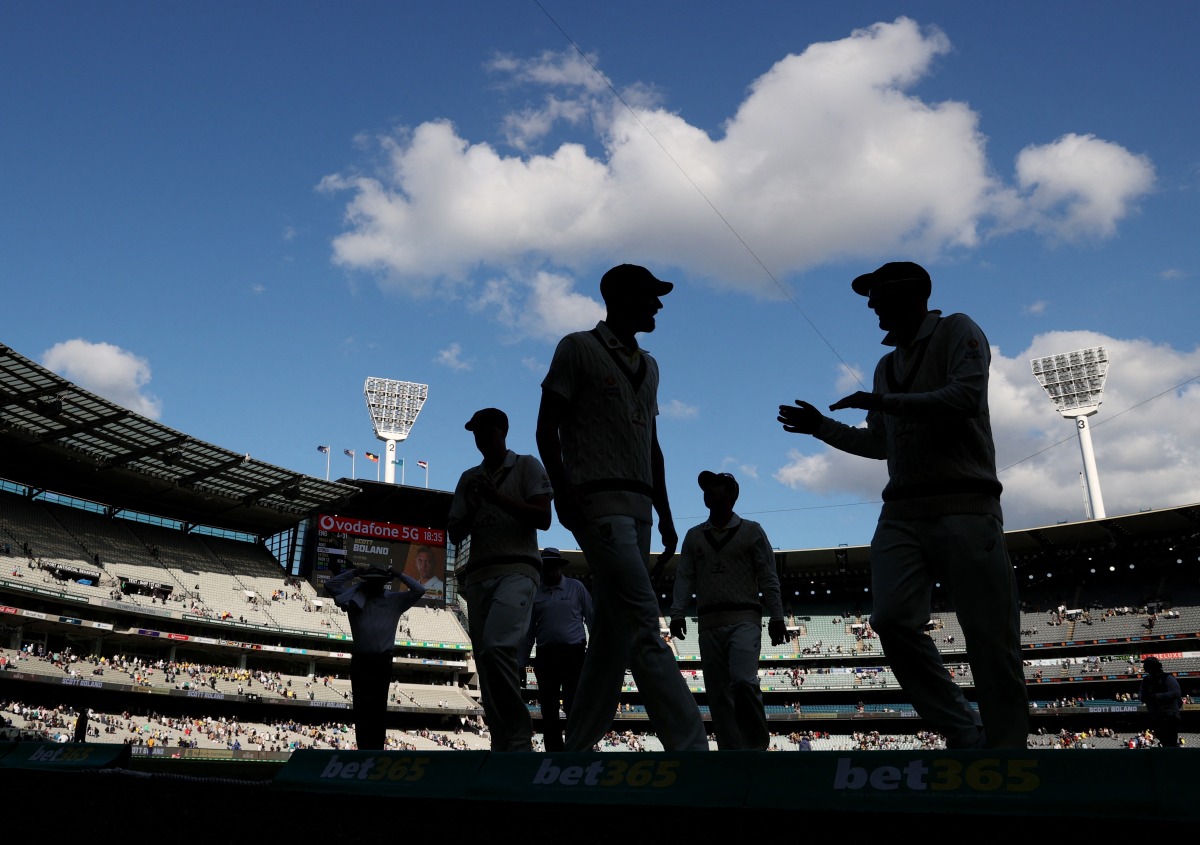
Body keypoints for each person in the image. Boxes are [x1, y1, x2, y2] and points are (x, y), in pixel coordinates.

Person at [777, 261, 1028, 749]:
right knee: (890, 620)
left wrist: (886, 403)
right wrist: (820, 429)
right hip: (901, 511)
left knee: (990, 640)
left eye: (876, 294)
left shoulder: (958, 329)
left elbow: (967, 396)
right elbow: (881, 444)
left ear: (910, 293)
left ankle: (1011, 752)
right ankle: (962, 729)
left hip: (966, 504)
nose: (870, 305)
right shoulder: (885, 365)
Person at [537, 263, 708, 752]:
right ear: (621, 298)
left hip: (640, 509)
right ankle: (692, 748)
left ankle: (576, 749)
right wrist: (565, 494)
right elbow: (545, 429)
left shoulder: (650, 365)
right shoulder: (577, 348)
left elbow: (653, 445)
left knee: (611, 640)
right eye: (650, 296)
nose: (658, 305)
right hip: (598, 502)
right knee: (642, 624)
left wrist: (668, 512)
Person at [448, 407, 553, 752]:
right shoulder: (469, 478)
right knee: (487, 660)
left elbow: (543, 518)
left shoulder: (526, 465)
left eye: (485, 430)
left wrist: (497, 499)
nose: (479, 437)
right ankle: (502, 743)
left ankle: (519, 741)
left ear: (502, 430)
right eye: (475, 432)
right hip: (479, 574)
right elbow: (454, 533)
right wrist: (477, 505)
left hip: (518, 569)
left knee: (496, 648)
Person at [669, 471, 788, 750]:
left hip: (745, 617)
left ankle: (756, 746)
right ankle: (730, 752)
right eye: (706, 489)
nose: (709, 493)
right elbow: (684, 577)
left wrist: (778, 616)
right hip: (708, 621)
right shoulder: (694, 536)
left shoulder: (752, 530)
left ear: (732, 495)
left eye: (716, 488)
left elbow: (768, 576)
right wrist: (676, 613)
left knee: (744, 681)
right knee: (718, 695)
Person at [324, 563, 425, 750]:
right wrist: (354, 573)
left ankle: (376, 749)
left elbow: (420, 589)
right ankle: (364, 748)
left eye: (377, 582)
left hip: (380, 661)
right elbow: (329, 586)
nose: (374, 585)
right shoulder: (355, 599)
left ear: (384, 583)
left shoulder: (393, 600)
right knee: (362, 709)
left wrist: (399, 574)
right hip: (363, 660)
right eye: (371, 582)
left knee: (378, 710)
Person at [520, 547, 594, 751]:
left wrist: (595, 655)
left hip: (574, 654)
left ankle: (576, 747)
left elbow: (592, 619)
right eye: (546, 567)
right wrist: (522, 661)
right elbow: (528, 633)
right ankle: (553, 750)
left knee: (574, 705)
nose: (550, 571)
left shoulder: (576, 587)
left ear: (560, 567)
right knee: (548, 708)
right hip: (546, 656)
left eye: (553, 566)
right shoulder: (535, 593)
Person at [1139, 655, 1183, 747]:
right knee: (1162, 738)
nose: (1144, 666)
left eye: (1147, 664)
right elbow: (1142, 695)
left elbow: (1176, 693)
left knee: (1170, 741)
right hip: (1155, 714)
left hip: (1169, 714)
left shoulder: (1167, 677)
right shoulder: (1146, 680)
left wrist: (1156, 696)